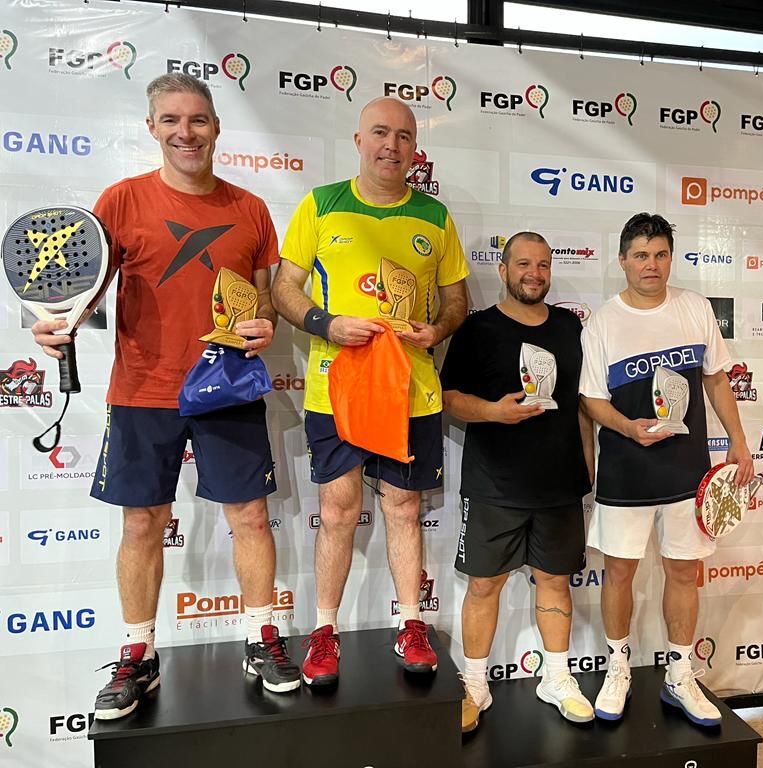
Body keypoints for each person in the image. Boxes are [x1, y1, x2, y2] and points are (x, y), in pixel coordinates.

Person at [30, 73, 298, 720]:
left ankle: (261, 635)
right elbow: (84, 289)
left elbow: (263, 301)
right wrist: (57, 322)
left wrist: (265, 324)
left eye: (199, 120)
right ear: (151, 127)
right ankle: (138, 654)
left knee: (251, 520)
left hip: (226, 384)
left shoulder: (252, 209)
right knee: (143, 523)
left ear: (215, 127)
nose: (186, 132)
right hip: (143, 389)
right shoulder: (120, 200)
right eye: (172, 120)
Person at [272, 96, 469, 686]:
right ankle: (324, 633)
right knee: (338, 512)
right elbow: (285, 289)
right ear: (358, 139)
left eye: (404, 137)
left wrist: (436, 328)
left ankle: (411, 626)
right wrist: (325, 325)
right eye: (380, 133)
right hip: (337, 393)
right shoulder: (320, 205)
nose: (391, 145)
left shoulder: (435, 217)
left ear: (415, 149)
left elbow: (458, 301)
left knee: (404, 509)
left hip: (411, 392)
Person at [579, 213, 753, 725]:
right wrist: (628, 428)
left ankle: (680, 674)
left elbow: (717, 381)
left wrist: (739, 444)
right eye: (640, 255)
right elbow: (591, 399)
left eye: (659, 254)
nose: (651, 265)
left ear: (670, 258)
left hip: (686, 471)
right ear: (622, 261)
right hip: (626, 471)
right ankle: (618, 668)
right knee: (619, 573)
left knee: (682, 571)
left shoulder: (695, 309)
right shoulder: (603, 322)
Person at [440, 232, 596, 732]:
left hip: (558, 484)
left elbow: (581, 405)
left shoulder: (572, 328)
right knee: (485, 584)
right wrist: (492, 412)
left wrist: (588, 467)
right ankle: (475, 685)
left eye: (544, 265)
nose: (535, 273)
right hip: (493, 484)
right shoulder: (477, 329)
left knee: (554, 581)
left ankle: (555, 676)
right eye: (524, 263)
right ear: (504, 269)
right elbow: (446, 398)